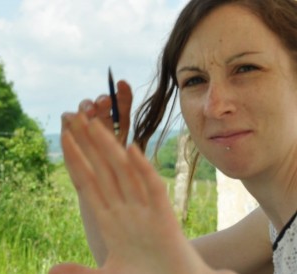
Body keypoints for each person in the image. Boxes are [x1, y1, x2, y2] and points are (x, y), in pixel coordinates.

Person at [51, 0, 297, 273]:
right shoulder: (271, 222)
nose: (214, 106)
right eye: (194, 80)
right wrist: (99, 170)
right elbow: (137, 264)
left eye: (246, 68)